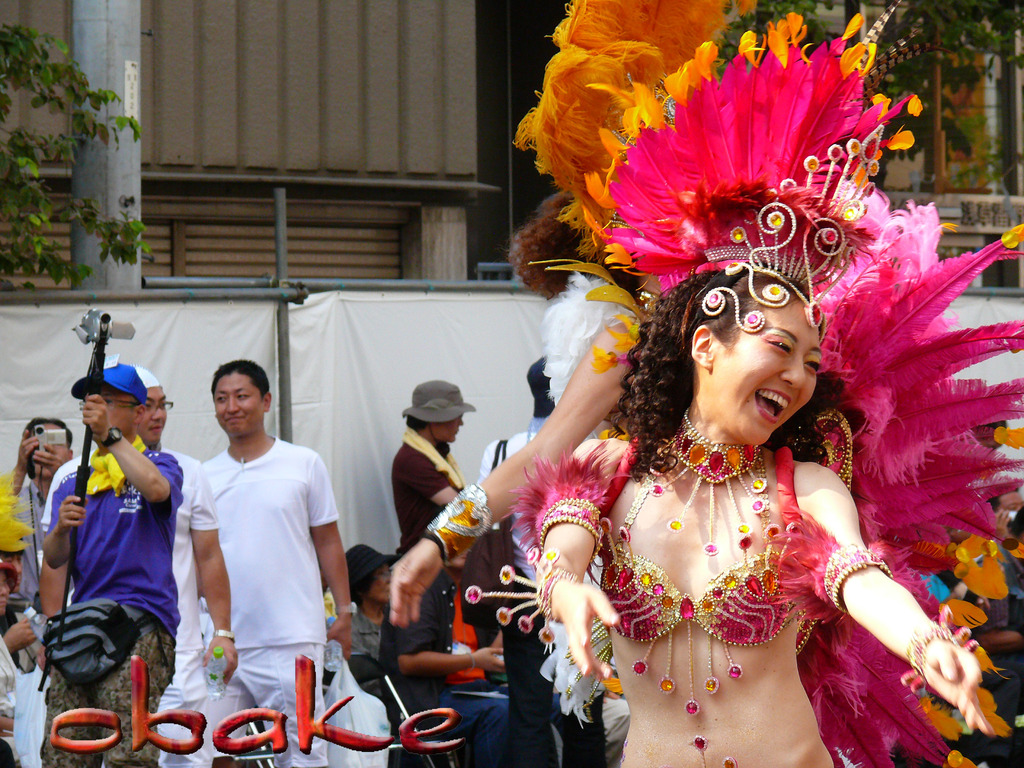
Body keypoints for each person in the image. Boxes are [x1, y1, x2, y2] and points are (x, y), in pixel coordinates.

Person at [397, 8, 1024, 768]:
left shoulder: (808, 483)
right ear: (702, 342)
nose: (797, 377)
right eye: (780, 349)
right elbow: (558, 540)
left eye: (812, 363)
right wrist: (554, 589)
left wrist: (926, 642)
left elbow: (858, 574)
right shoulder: (610, 466)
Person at [203, 359, 351, 768]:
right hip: (222, 639)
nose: (231, 406)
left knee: (301, 747)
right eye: (221, 399)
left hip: (292, 638)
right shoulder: (203, 475)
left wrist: (344, 610)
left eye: (242, 396)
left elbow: (329, 542)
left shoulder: (303, 463)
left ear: (266, 401)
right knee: (206, 747)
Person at [42, 363, 182, 768]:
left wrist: (109, 436)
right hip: (84, 627)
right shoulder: (73, 479)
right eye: (92, 401)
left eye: (109, 402)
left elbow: (156, 488)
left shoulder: (161, 464)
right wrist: (61, 531)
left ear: (137, 413)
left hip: (139, 624)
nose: (96, 409)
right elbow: (54, 559)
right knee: (63, 753)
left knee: (129, 756)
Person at [132, 366, 237, 768]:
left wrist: (223, 632)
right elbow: (59, 563)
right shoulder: (78, 475)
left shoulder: (188, 470)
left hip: (181, 651)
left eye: (163, 406)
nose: (157, 416)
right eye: (146, 406)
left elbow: (209, 556)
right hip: (108, 651)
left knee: (188, 760)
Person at [379, 551, 508, 768]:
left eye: (471, 539)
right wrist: (473, 660)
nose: (466, 547)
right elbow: (409, 661)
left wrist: (514, 613)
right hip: (435, 699)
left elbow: (490, 656)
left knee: (541, 704)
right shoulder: (424, 587)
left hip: (477, 690)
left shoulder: (472, 589)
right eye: (458, 538)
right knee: (499, 712)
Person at [392, 380, 476, 556]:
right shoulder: (412, 459)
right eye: (456, 416)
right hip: (423, 562)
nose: (461, 423)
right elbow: (459, 506)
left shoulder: (436, 454)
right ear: (435, 420)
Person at [8, 418, 73, 610]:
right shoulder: (15, 498)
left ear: (71, 455)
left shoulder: (82, 500)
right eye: (41, 441)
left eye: (56, 442)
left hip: (71, 612)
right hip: (21, 612)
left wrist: (65, 473)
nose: (47, 448)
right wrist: (20, 468)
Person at [345, 544, 395, 662]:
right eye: (381, 574)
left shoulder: (400, 619)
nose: (389, 579)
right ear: (361, 588)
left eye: (389, 572)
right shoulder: (352, 632)